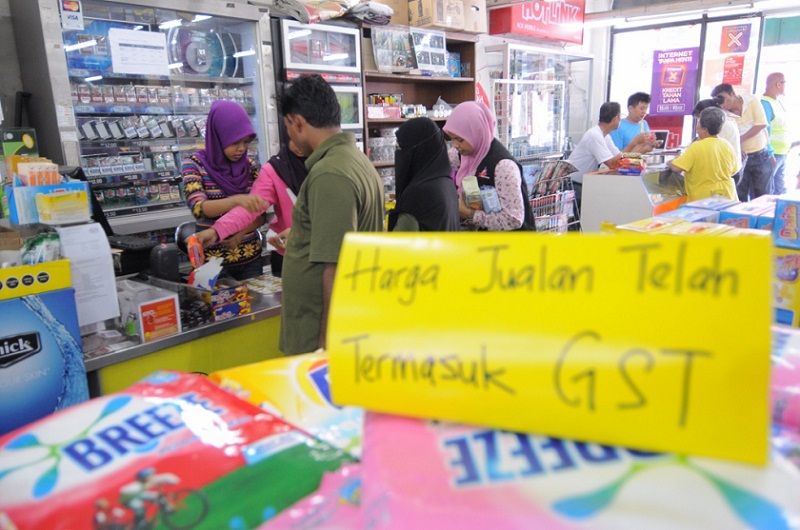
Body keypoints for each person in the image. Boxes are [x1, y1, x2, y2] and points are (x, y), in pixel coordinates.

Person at [279, 74, 384, 355]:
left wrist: (327, 345)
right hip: (350, 320)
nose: (288, 135)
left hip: (317, 334)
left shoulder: (330, 173)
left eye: (288, 126)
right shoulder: (355, 160)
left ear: (297, 122)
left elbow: (336, 265)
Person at [194, 137, 309, 278]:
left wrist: (304, 234)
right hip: (287, 254)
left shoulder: (327, 166)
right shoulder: (275, 169)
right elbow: (251, 207)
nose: (299, 144)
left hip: (326, 252)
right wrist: (216, 231)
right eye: (294, 136)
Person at [181, 99, 266, 280]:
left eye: (246, 142)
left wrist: (239, 235)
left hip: (250, 259)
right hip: (213, 264)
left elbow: (260, 215)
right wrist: (235, 200)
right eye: (235, 142)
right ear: (219, 136)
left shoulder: (249, 167)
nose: (241, 149)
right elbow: (199, 208)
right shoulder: (194, 165)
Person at [443, 100, 534, 231]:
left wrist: (470, 214)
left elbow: (513, 219)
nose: (455, 145)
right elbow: (440, 163)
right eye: (452, 138)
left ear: (477, 133)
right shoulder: (462, 154)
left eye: (460, 139)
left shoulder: (503, 166)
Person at [567, 101, 655, 205]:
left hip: (585, 184)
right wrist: (634, 142)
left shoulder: (605, 136)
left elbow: (620, 158)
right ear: (615, 119)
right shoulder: (594, 135)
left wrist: (643, 149)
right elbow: (612, 163)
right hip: (574, 185)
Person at [388, 117, 460, 232]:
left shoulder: (418, 194)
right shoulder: (446, 183)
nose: (399, 154)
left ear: (419, 151)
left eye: (401, 148)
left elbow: (399, 246)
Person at [711, 83, 773, 201]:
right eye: (719, 101)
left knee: (763, 196)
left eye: (723, 98)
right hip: (739, 159)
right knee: (739, 196)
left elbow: (761, 124)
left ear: (732, 93)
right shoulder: (723, 115)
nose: (722, 103)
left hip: (761, 155)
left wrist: (738, 140)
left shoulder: (752, 100)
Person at [667, 107, 738, 202]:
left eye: (699, 122)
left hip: (704, 199)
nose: (696, 126)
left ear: (705, 129)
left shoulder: (697, 147)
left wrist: (669, 162)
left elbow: (676, 167)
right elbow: (734, 170)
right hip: (728, 196)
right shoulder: (726, 144)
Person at [692, 98, 742, 182]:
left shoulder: (721, 126)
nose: (699, 122)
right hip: (729, 169)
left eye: (700, 118)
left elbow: (707, 146)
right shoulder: (724, 121)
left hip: (726, 172)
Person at [761, 72, 791, 194]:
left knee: (780, 192)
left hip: (782, 154)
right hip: (772, 155)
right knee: (767, 192)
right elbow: (764, 129)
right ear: (779, 84)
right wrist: (770, 152)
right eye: (785, 84)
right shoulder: (765, 103)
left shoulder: (777, 102)